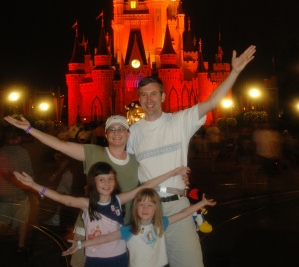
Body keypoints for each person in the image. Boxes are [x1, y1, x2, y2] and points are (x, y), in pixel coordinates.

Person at [126, 44, 256, 267]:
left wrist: (234, 72)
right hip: (145, 208)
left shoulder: (180, 121)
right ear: (139, 99)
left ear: (163, 96)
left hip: (177, 204)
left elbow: (212, 101)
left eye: (154, 94)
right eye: (144, 95)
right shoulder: (133, 132)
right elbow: (124, 168)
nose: (149, 99)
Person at [4, 114, 140, 267]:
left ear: (128, 133)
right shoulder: (93, 153)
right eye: (112, 129)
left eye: (121, 129)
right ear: (106, 134)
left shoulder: (137, 161)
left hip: (123, 230)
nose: (116, 132)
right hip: (90, 229)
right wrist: (29, 129)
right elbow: (59, 145)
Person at [13, 161, 189, 267]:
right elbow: (62, 198)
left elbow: (145, 186)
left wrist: (173, 172)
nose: (107, 183)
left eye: (110, 179)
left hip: (120, 257)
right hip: (96, 259)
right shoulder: (87, 204)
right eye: (101, 179)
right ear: (93, 182)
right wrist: (34, 185)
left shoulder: (119, 200)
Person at [62, 188, 216, 267]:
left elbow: (183, 213)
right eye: (141, 204)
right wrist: (82, 244)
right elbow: (105, 238)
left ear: (156, 208)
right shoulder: (129, 229)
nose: (145, 208)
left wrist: (201, 203)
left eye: (150, 204)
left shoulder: (161, 223)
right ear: (135, 207)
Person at [0, 125, 35, 254]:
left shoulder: (1, 152)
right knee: (22, 221)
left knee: (1, 222)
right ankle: (20, 246)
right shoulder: (23, 153)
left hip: (2, 196)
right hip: (20, 195)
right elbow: (29, 174)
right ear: (19, 138)